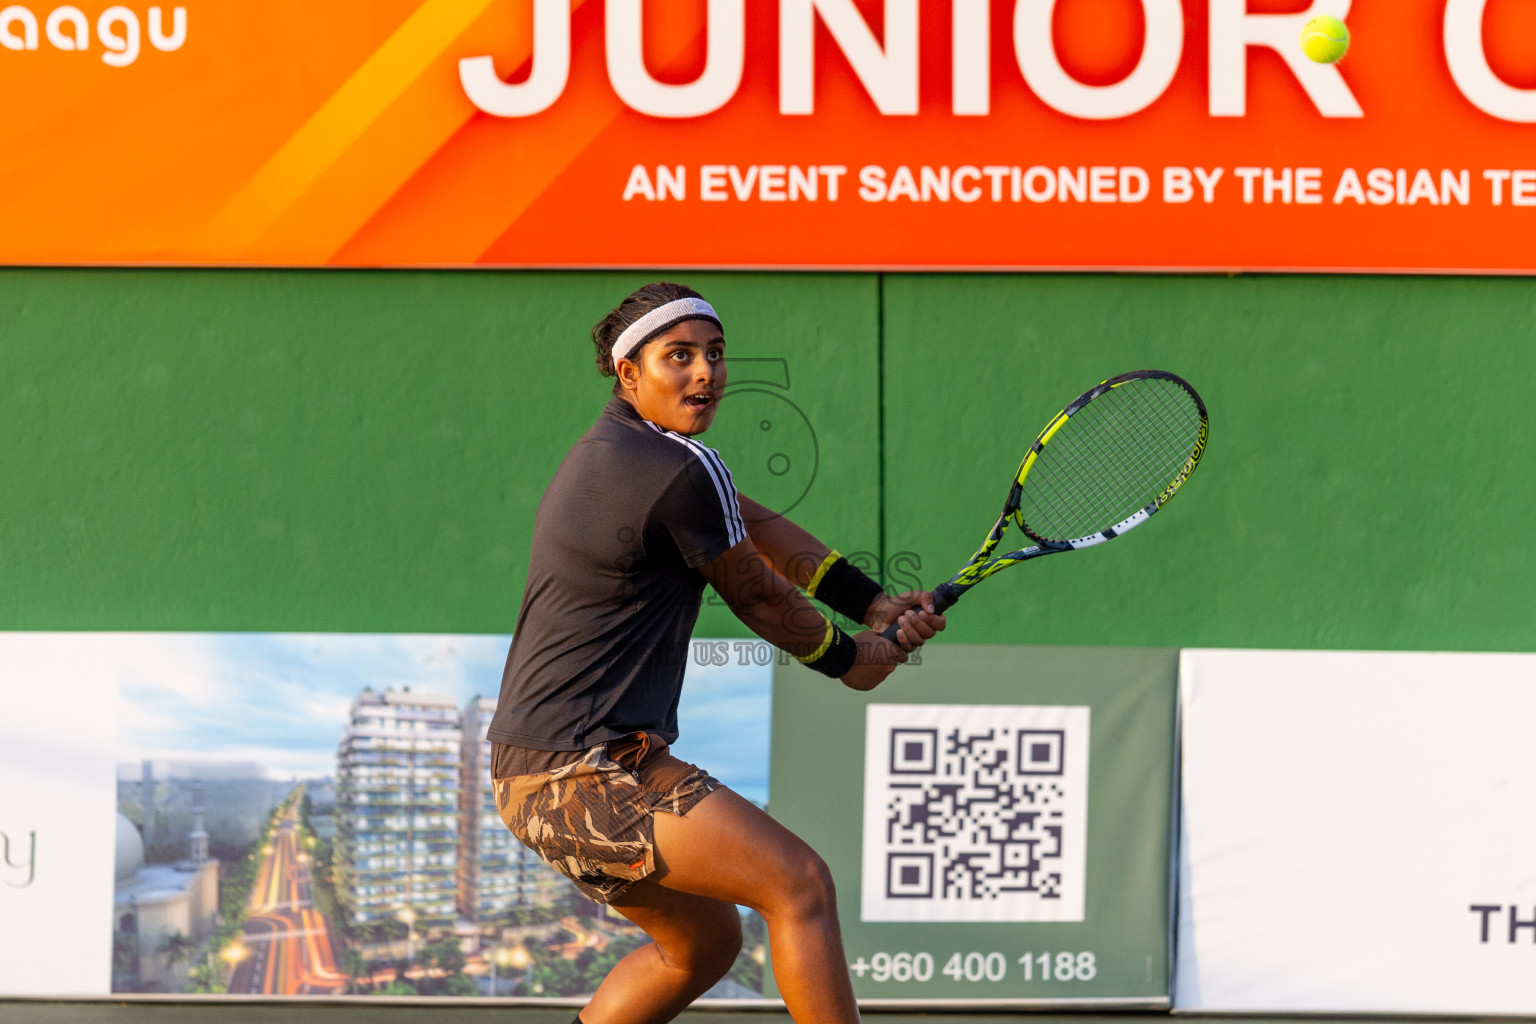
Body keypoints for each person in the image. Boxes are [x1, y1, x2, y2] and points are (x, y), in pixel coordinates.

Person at [486, 282, 945, 1024]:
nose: (705, 372)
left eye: (715, 354)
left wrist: (870, 606)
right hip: (587, 772)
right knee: (799, 886)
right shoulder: (669, 469)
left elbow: (753, 524)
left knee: (700, 948)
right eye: (680, 356)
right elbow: (758, 596)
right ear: (628, 372)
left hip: (526, 778)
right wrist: (858, 658)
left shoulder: (638, 453)